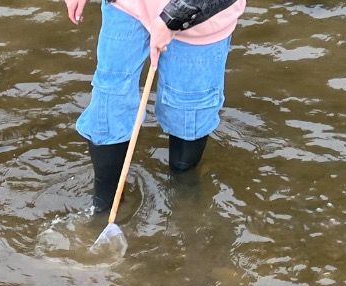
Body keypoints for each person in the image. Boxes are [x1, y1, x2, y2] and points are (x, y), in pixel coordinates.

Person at [64, 0, 247, 212]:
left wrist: (175, 16)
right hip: (126, 5)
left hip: (202, 20)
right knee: (109, 103)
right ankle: (102, 209)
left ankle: (184, 201)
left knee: (189, 114)